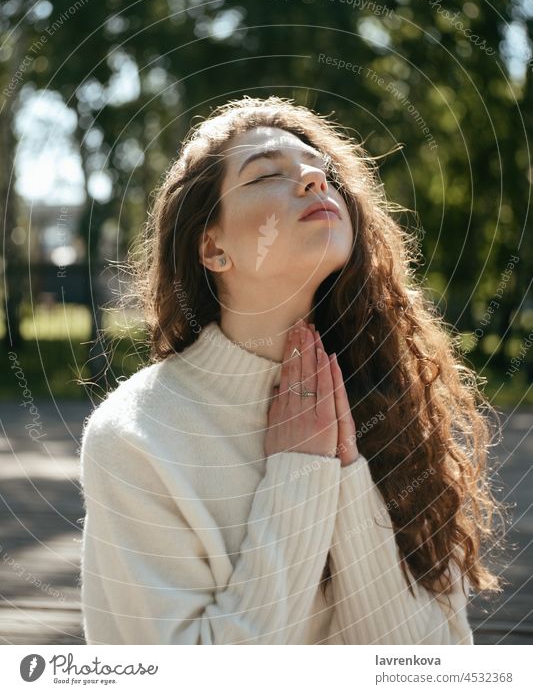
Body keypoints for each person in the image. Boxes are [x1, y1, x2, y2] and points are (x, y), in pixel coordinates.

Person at [80, 95, 507, 645]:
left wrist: (346, 474)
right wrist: (298, 474)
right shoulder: (136, 436)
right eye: (265, 176)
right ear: (213, 247)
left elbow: (435, 662)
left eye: (321, 170)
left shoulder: (388, 397)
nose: (313, 179)